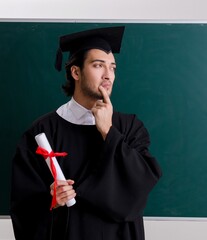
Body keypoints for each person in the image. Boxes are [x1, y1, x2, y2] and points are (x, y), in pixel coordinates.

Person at [10, 26, 162, 240]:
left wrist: (108, 132)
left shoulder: (129, 127)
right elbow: (23, 205)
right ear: (76, 72)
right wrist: (51, 199)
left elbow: (139, 186)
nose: (108, 75)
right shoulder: (42, 131)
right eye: (98, 65)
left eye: (113, 68)